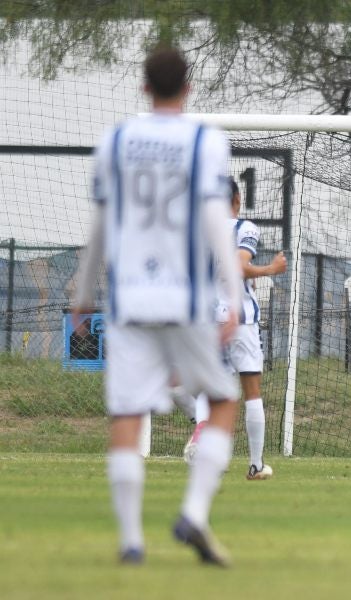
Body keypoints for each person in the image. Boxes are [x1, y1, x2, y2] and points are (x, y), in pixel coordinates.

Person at [71, 46, 242, 565]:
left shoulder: (116, 139)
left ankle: (130, 541)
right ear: (188, 87)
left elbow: (100, 225)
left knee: (126, 411)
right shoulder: (204, 141)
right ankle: (192, 511)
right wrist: (231, 296)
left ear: (143, 87)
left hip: (128, 300)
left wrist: (82, 293)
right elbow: (216, 222)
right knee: (223, 400)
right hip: (186, 297)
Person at [183, 178, 288, 480]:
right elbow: (239, 266)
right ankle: (256, 465)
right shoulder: (244, 228)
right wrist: (270, 269)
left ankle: (204, 439)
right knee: (251, 391)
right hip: (239, 319)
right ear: (237, 199)